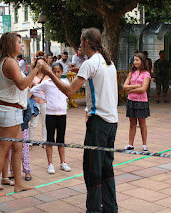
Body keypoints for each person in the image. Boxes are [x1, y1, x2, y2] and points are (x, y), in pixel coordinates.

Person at [41, 27, 118, 213]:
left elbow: (69, 91)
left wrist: (49, 73)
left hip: (98, 121)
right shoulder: (108, 63)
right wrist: (81, 70)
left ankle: (93, 210)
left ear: (86, 43)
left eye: (80, 41)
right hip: (112, 122)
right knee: (106, 167)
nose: (79, 44)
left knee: (92, 169)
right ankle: (110, 208)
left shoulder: (90, 63)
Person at [0, 32, 38, 197]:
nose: (22, 45)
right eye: (19, 42)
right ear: (11, 45)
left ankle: (18, 183)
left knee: (18, 146)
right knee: (2, 149)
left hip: (12, 110)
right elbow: (23, 84)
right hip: (8, 111)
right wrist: (37, 69)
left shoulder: (4, 61)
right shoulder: (9, 62)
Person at [30, 62, 71, 174]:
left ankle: (63, 162)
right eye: (54, 71)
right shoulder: (47, 83)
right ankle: (50, 163)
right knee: (50, 139)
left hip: (62, 113)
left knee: (61, 139)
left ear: (62, 72)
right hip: (50, 114)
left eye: (59, 72)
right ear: (51, 72)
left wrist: (63, 100)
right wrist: (45, 97)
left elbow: (68, 92)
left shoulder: (65, 82)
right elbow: (33, 90)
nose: (56, 74)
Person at [123, 53, 151, 153]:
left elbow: (143, 89)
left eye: (137, 60)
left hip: (141, 102)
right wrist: (135, 87)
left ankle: (144, 145)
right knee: (132, 124)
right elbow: (125, 86)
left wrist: (130, 89)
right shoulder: (131, 73)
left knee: (142, 124)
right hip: (131, 101)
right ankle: (130, 144)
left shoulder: (146, 74)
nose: (135, 62)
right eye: (134, 60)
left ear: (142, 61)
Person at [8, 97, 34, 181]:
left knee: (24, 151)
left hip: (22, 129)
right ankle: (13, 171)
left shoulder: (25, 100)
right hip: (11, 128)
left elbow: (28, 114)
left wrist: (21, 125)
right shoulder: (9, 99)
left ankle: (27, 171)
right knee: (11, 152)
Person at [29, 51, 49, 146]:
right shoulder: (33, 75)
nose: (41, 66)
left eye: (42, 63)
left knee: (45, 123)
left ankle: (44, 141)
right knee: (33, 123)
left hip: (45, 102)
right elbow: (28, 88)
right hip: (35, 101)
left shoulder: (48, 76)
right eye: (39, 63)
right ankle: (30, 142)